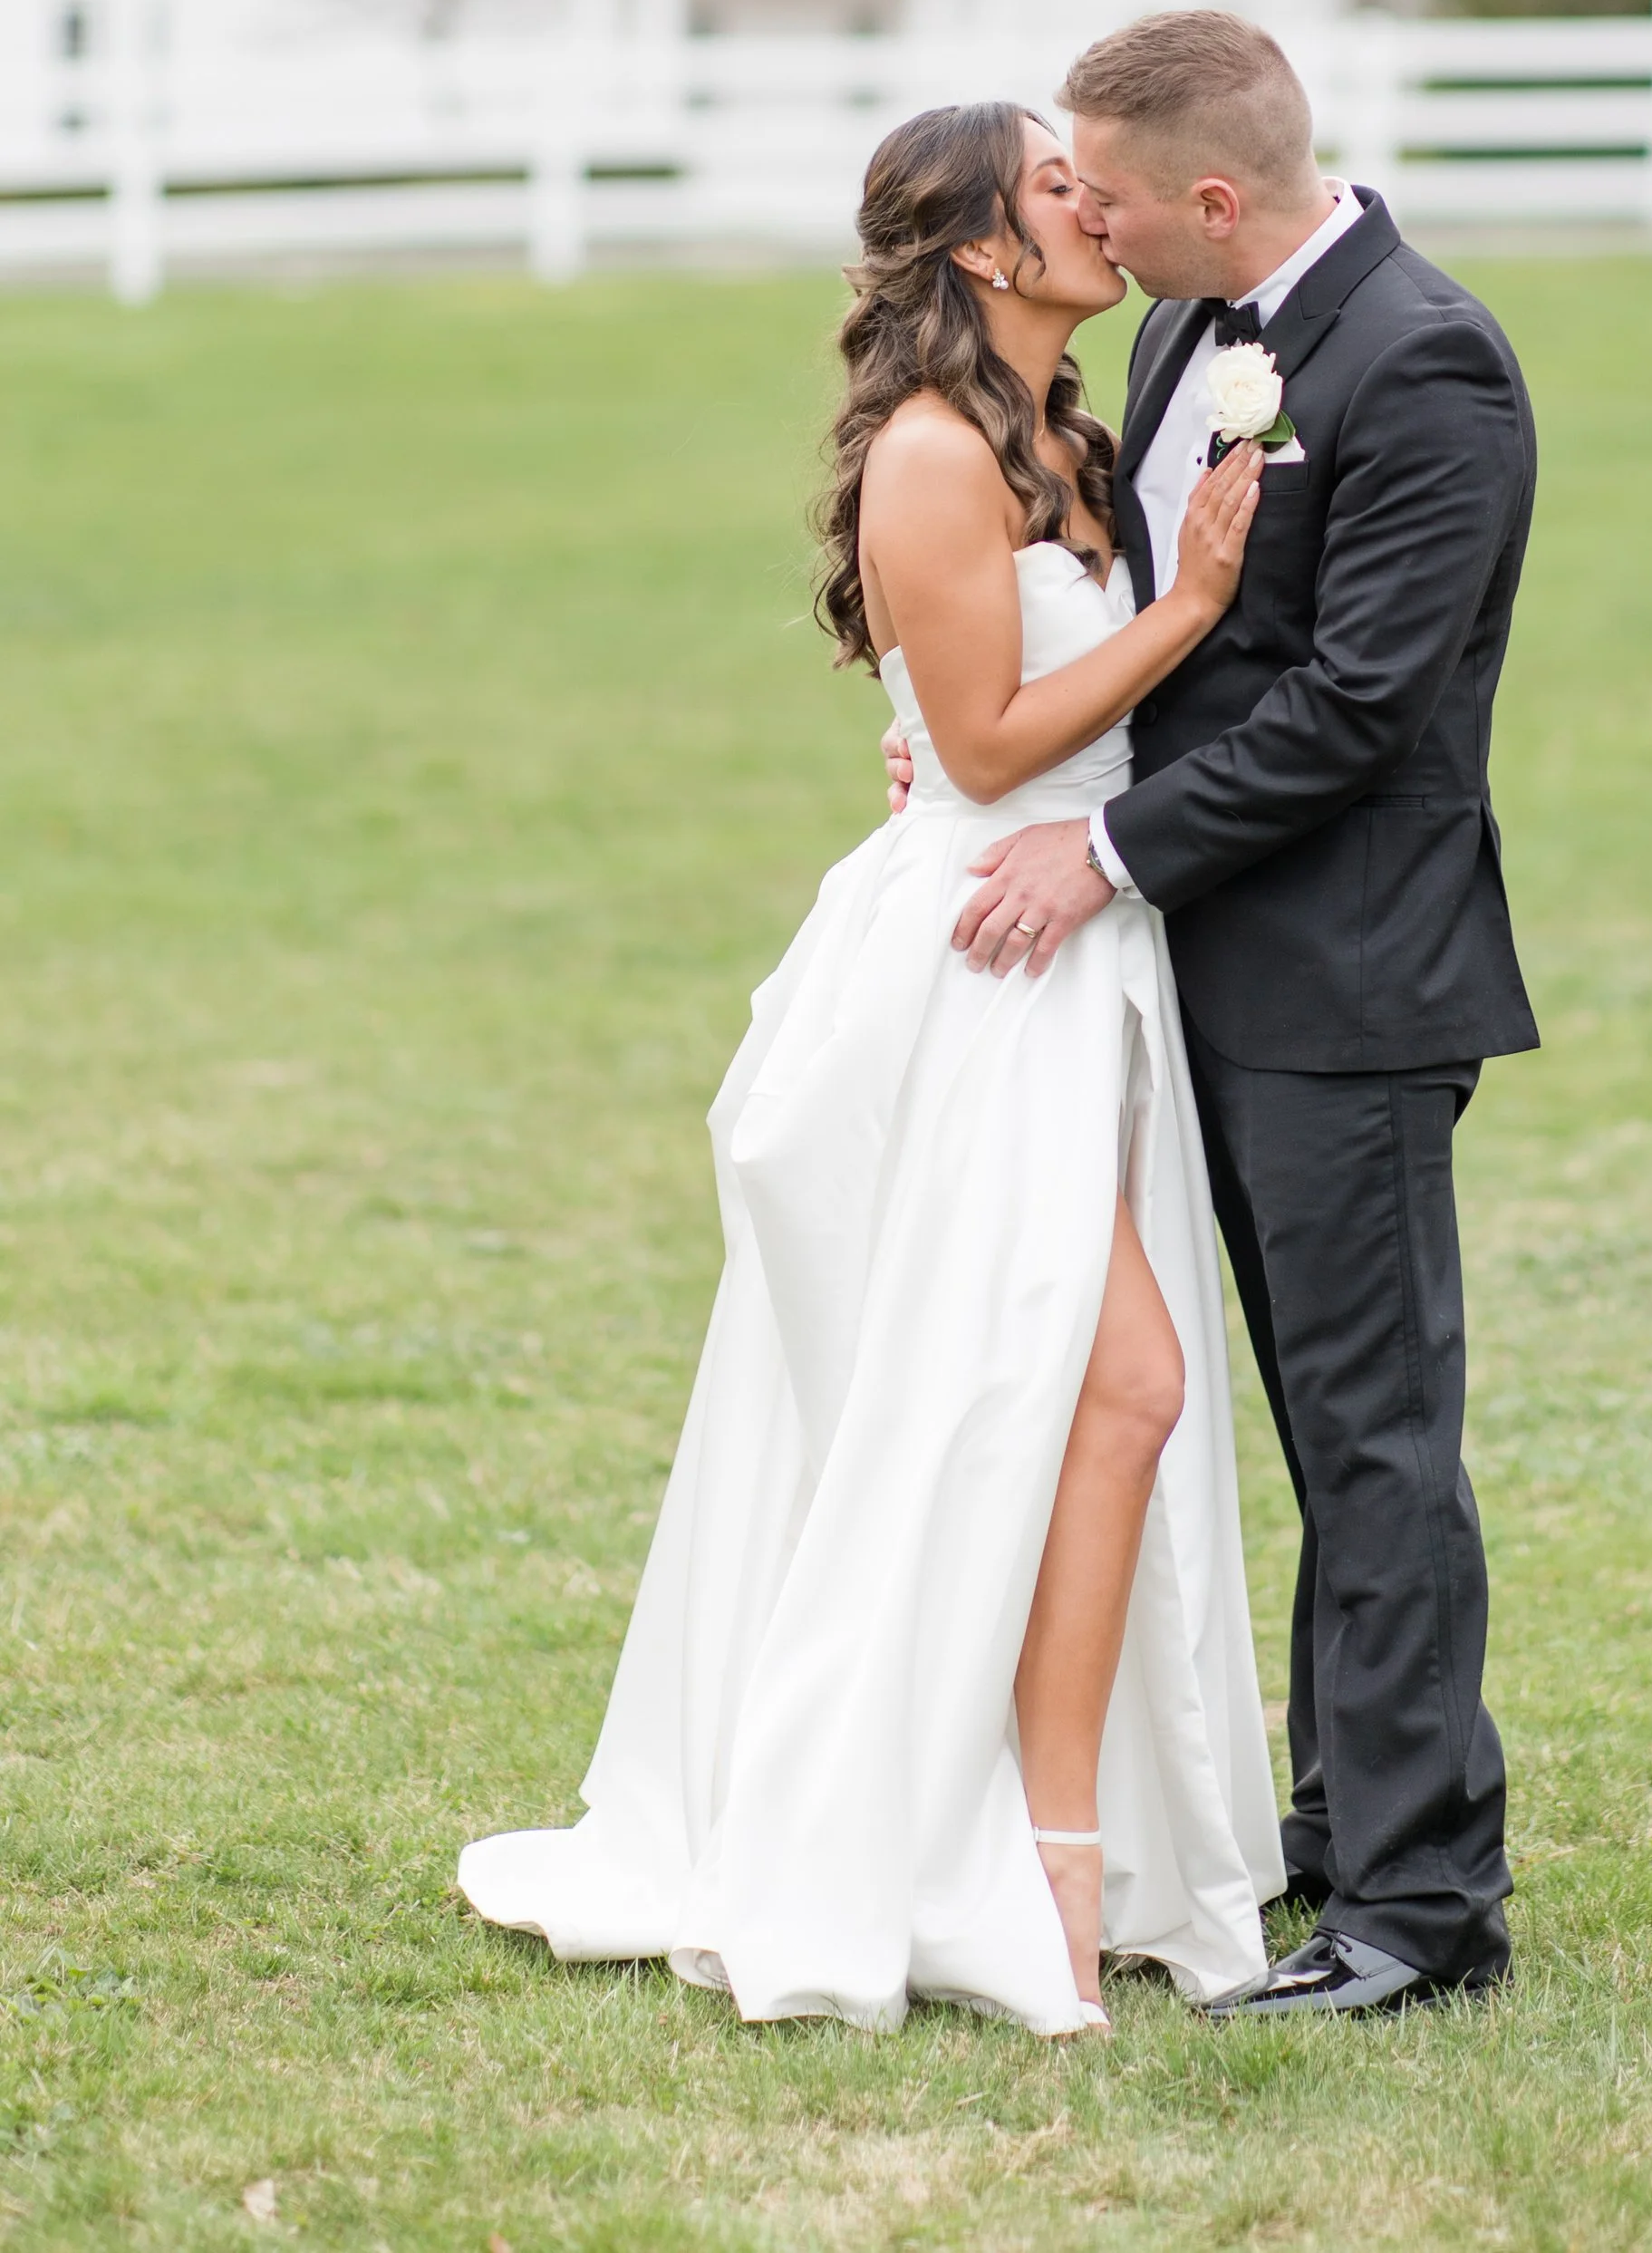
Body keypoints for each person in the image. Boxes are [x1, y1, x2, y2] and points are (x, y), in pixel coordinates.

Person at [459, 102, 1283, 2035]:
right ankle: (1034, 1863)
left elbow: (982, 729)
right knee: (1100, 1388)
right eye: (1057, 184)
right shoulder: (930, 453)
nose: (1095, 201)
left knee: (1051, 1407)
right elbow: (986, 747)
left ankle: (1048, 1843)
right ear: (986, 252)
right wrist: (1182, 613)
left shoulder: (1070, 432)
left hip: (1071, 956)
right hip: (968, 975)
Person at [939, 12, 1539, 2017]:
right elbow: (1162, 642)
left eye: (1100, 191)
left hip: (1347, 981)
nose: (1077, 221)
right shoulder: (1191, 332)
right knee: (1290, 1425)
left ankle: (1422, 1912)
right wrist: (997, 778)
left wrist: (1096, 856)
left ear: (1208, 198)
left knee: (1372, 1443)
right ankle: (1333, 1830)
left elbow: (1360, 705)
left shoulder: (1425, 361)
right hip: (1195, 970)